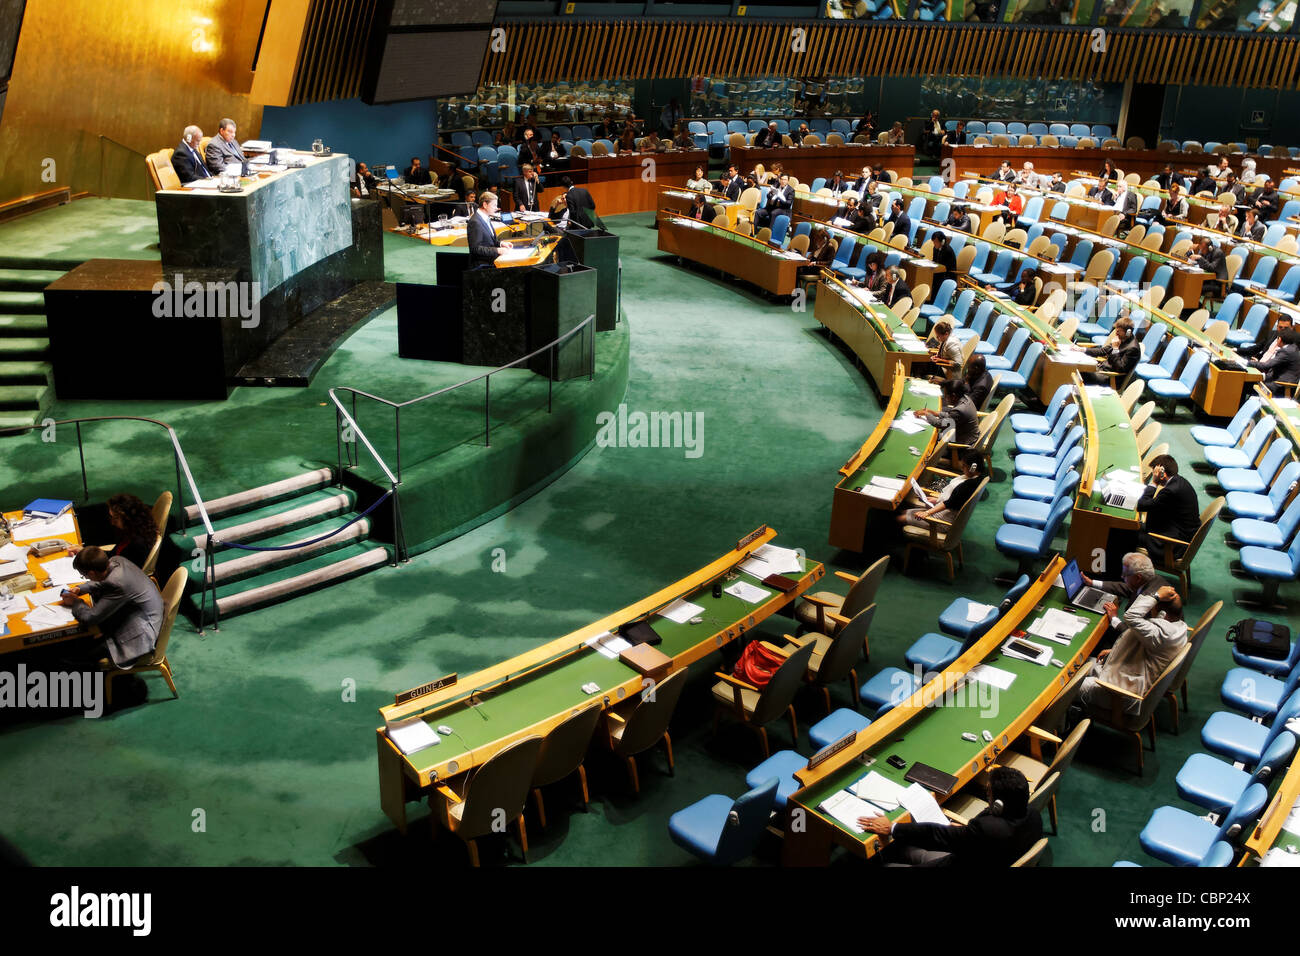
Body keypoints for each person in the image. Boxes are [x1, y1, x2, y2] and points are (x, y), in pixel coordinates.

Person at [857, 766, 1041, 867]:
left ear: (999, 805)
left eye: (989, 793)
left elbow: (936, 835)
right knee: (910, 850)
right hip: (989, 857)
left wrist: (892, 828)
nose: (988, 797)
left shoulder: (987, 829)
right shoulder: (1034, 816)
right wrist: (964, 833)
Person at [1078, 585, 1187, 718]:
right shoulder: (1179, 628)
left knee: (1067, 688)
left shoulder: (1160, 633)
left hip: (1119, 694)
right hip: (1125, 676)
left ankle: (1064, 726)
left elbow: (1131, 616)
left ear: (1161, 614)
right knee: (1080, 663)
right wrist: (1116, 650)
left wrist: (1156, 596)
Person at [57, 547, 164, 669]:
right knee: (84, 640)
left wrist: (76, 602)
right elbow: (102, 580)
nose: (86, 579)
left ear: (91, 573)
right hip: (143, 613)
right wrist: (81, 588)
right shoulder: (116, 561)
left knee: (77, 658)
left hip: (142, 632)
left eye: (84, 576)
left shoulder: (117, 584)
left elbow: (89, 618)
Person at [896, 447, 986, 532]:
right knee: (904, 511)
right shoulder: (978, 477)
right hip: (943, 511)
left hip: (942, 520)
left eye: (964, 466)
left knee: (901, 518)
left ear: (972, 468)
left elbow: (949, 503)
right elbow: (955, 499)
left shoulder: (968, 486)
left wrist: (927, 513)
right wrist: (936, 500)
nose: (961, 468)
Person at [69, 494, 159, 570]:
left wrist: (88, 558)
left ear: (128, 519)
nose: (112, 522)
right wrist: (85, 552)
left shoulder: (137, 545)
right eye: (111, 517)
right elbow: (114, 554)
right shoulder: (133, 531)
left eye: (115, 518)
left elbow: (117, 569)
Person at [1137, 455, 1200, 557]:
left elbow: (1142, 505)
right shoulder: (1180, 481)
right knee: (1135, 525)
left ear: (1162, 473)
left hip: (1170, 544)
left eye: (1155, 473)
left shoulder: (1170, 491)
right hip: (1177, 531)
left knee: (1125, 533)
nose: (1154, 475)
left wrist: (1154, 483)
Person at [1084, 315, 1141, 385]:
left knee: (1082, 372)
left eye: (1118, 331)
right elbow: (1103, 351)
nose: (1116, 333)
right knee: (1080, 367)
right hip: (1102, 369)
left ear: (1128, 332)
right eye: (1116, 330)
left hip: (1111, 377)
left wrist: (1115, 349)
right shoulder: (1121, 338)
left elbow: (1120, 368)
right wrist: (1083, 350)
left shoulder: (1133, 349)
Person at [1250, 329, 1300, 395]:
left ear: (1279, 339)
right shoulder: (1293, 348)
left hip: (1280, 386)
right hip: (1283, 383)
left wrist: (1247, 362)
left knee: (1248, 385)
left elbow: (1266, 365)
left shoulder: (1286, 351)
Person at [467, 191, 509, 266]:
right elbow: (475, 249)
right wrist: (497, 250)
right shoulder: (475, 222)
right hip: (483, 266)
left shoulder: (486, 218)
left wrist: (501, 244)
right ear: (485, 205)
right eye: (494, 205)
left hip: (492, 261)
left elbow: (490, 241)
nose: (496, 208)